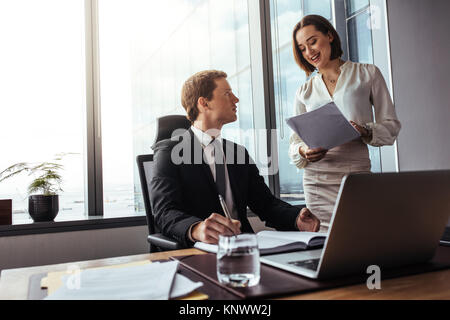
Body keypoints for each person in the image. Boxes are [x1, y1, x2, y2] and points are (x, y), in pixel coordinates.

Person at [150, 70, 320, 247]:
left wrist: (296, 218)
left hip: (244, 249)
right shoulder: (170, 152)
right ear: (204, 103)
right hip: (199, 252)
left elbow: (265, 204)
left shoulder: (237, 153)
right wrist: (196, 229)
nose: (236, 99)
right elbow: (165, 212)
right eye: (227, 93)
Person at [289, 15, 401, 232]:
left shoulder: (367, 73)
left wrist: (365, 130)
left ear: (329, 35)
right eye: (302, 48)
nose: (309, 52)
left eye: (312, 41)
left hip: (355, 174)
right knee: (322, 243)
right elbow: (295, 142)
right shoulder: (303, 91)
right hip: (317, 180)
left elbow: (391, 126)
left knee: (362, 235)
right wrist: (303, 151)